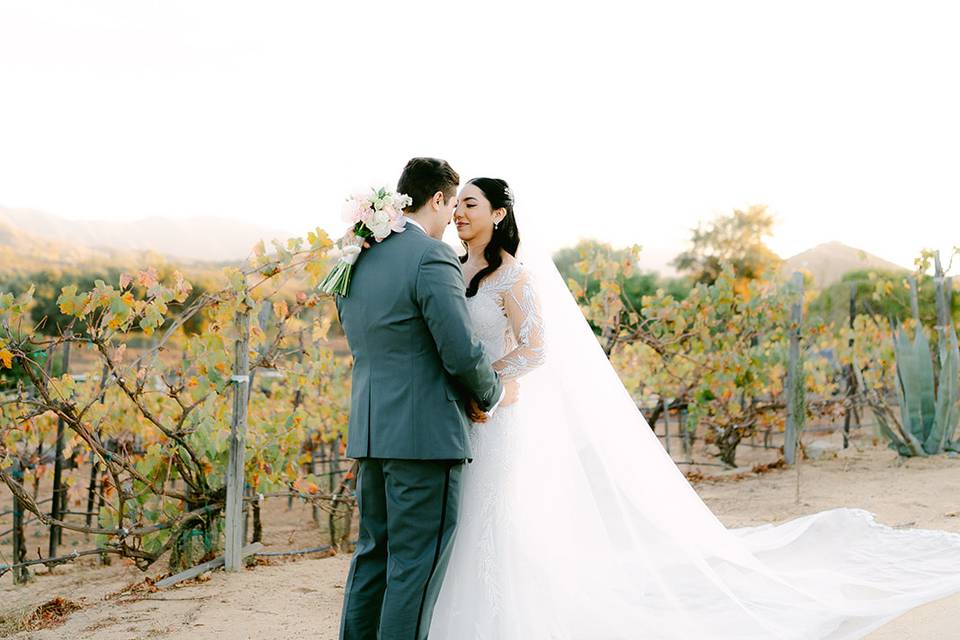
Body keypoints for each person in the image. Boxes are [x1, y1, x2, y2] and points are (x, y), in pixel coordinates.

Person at [335, 157, 507, 640]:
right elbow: (457, 349)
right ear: (437, 199)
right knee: (415, 565)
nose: (452, 217)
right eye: (452, 204)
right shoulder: (431, 257)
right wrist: (490, 393)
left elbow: (359, 335)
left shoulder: (360, 251)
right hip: (425, 437)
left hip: (372, 431)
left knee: (374, 556)